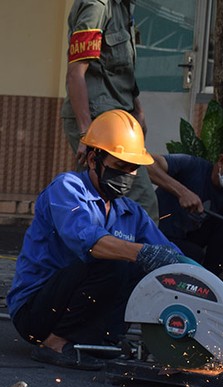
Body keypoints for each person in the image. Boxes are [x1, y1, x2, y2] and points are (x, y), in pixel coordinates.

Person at [7, 110, 182, 370]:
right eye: (119, 167)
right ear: (92, 159)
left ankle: (102, 340)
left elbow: (170, 256)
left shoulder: (131, 211)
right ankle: (54, 344)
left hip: (75, 307)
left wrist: (209, 286)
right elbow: (90, 241)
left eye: (132, 169)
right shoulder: (66, 189)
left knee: (144, 266)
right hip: (36, 313)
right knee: (117, 259)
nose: (126, 175)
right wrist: (142, 253)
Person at [61, 0, 159, 221]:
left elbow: (122, 70)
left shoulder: (123, 7)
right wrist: (87, 132)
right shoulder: (96, 6)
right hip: (98, 120)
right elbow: (76, 72)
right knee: (141, 202)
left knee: (101, 203)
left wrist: (137, 109)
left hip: (120, 116)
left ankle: (98, 252)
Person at [149, 134, 223, 275]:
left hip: (188, 241)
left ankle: (213, 278)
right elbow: (147, 163)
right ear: (221, 160)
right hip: (155, 234)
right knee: (192, 254)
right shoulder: (192, 166)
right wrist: (181, 192)